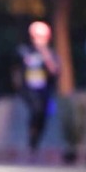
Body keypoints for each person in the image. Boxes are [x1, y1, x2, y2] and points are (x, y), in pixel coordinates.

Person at [13, 21, 60, 159]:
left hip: (44, 91)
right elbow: (16, 70)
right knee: (36, 110)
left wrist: (45, 54)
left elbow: (55, 71)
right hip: (28, 90)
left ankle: (34, 142)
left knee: (42, 116)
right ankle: (31, 142)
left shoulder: (50, 54)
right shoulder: (24, 51)